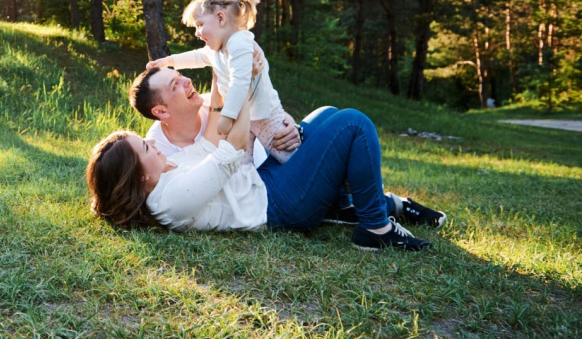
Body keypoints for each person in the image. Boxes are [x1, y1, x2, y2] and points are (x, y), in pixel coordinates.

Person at [88, 74, 446, 250]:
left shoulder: (163, 177)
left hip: (265, 182)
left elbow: (215, 138)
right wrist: (240, 82)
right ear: (137, 178)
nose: (156, 147)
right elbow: (231, 149)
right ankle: (375, 228)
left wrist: (222, 69)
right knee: (353, 124)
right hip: (278, 207)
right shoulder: (170, 198)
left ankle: (348, 205)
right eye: (147, 150)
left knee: (330, 115)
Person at [147, 0, 292, 165]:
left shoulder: (239, 43)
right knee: (241, 166)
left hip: (264, 116)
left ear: (221, 18)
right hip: (243, 120)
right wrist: (168, 61)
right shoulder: (216, 51)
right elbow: (196, 57)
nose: (197, 33)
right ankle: (254, 189)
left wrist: (227, 116)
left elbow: (240, 82)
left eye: (199, 25)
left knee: (290, 157)